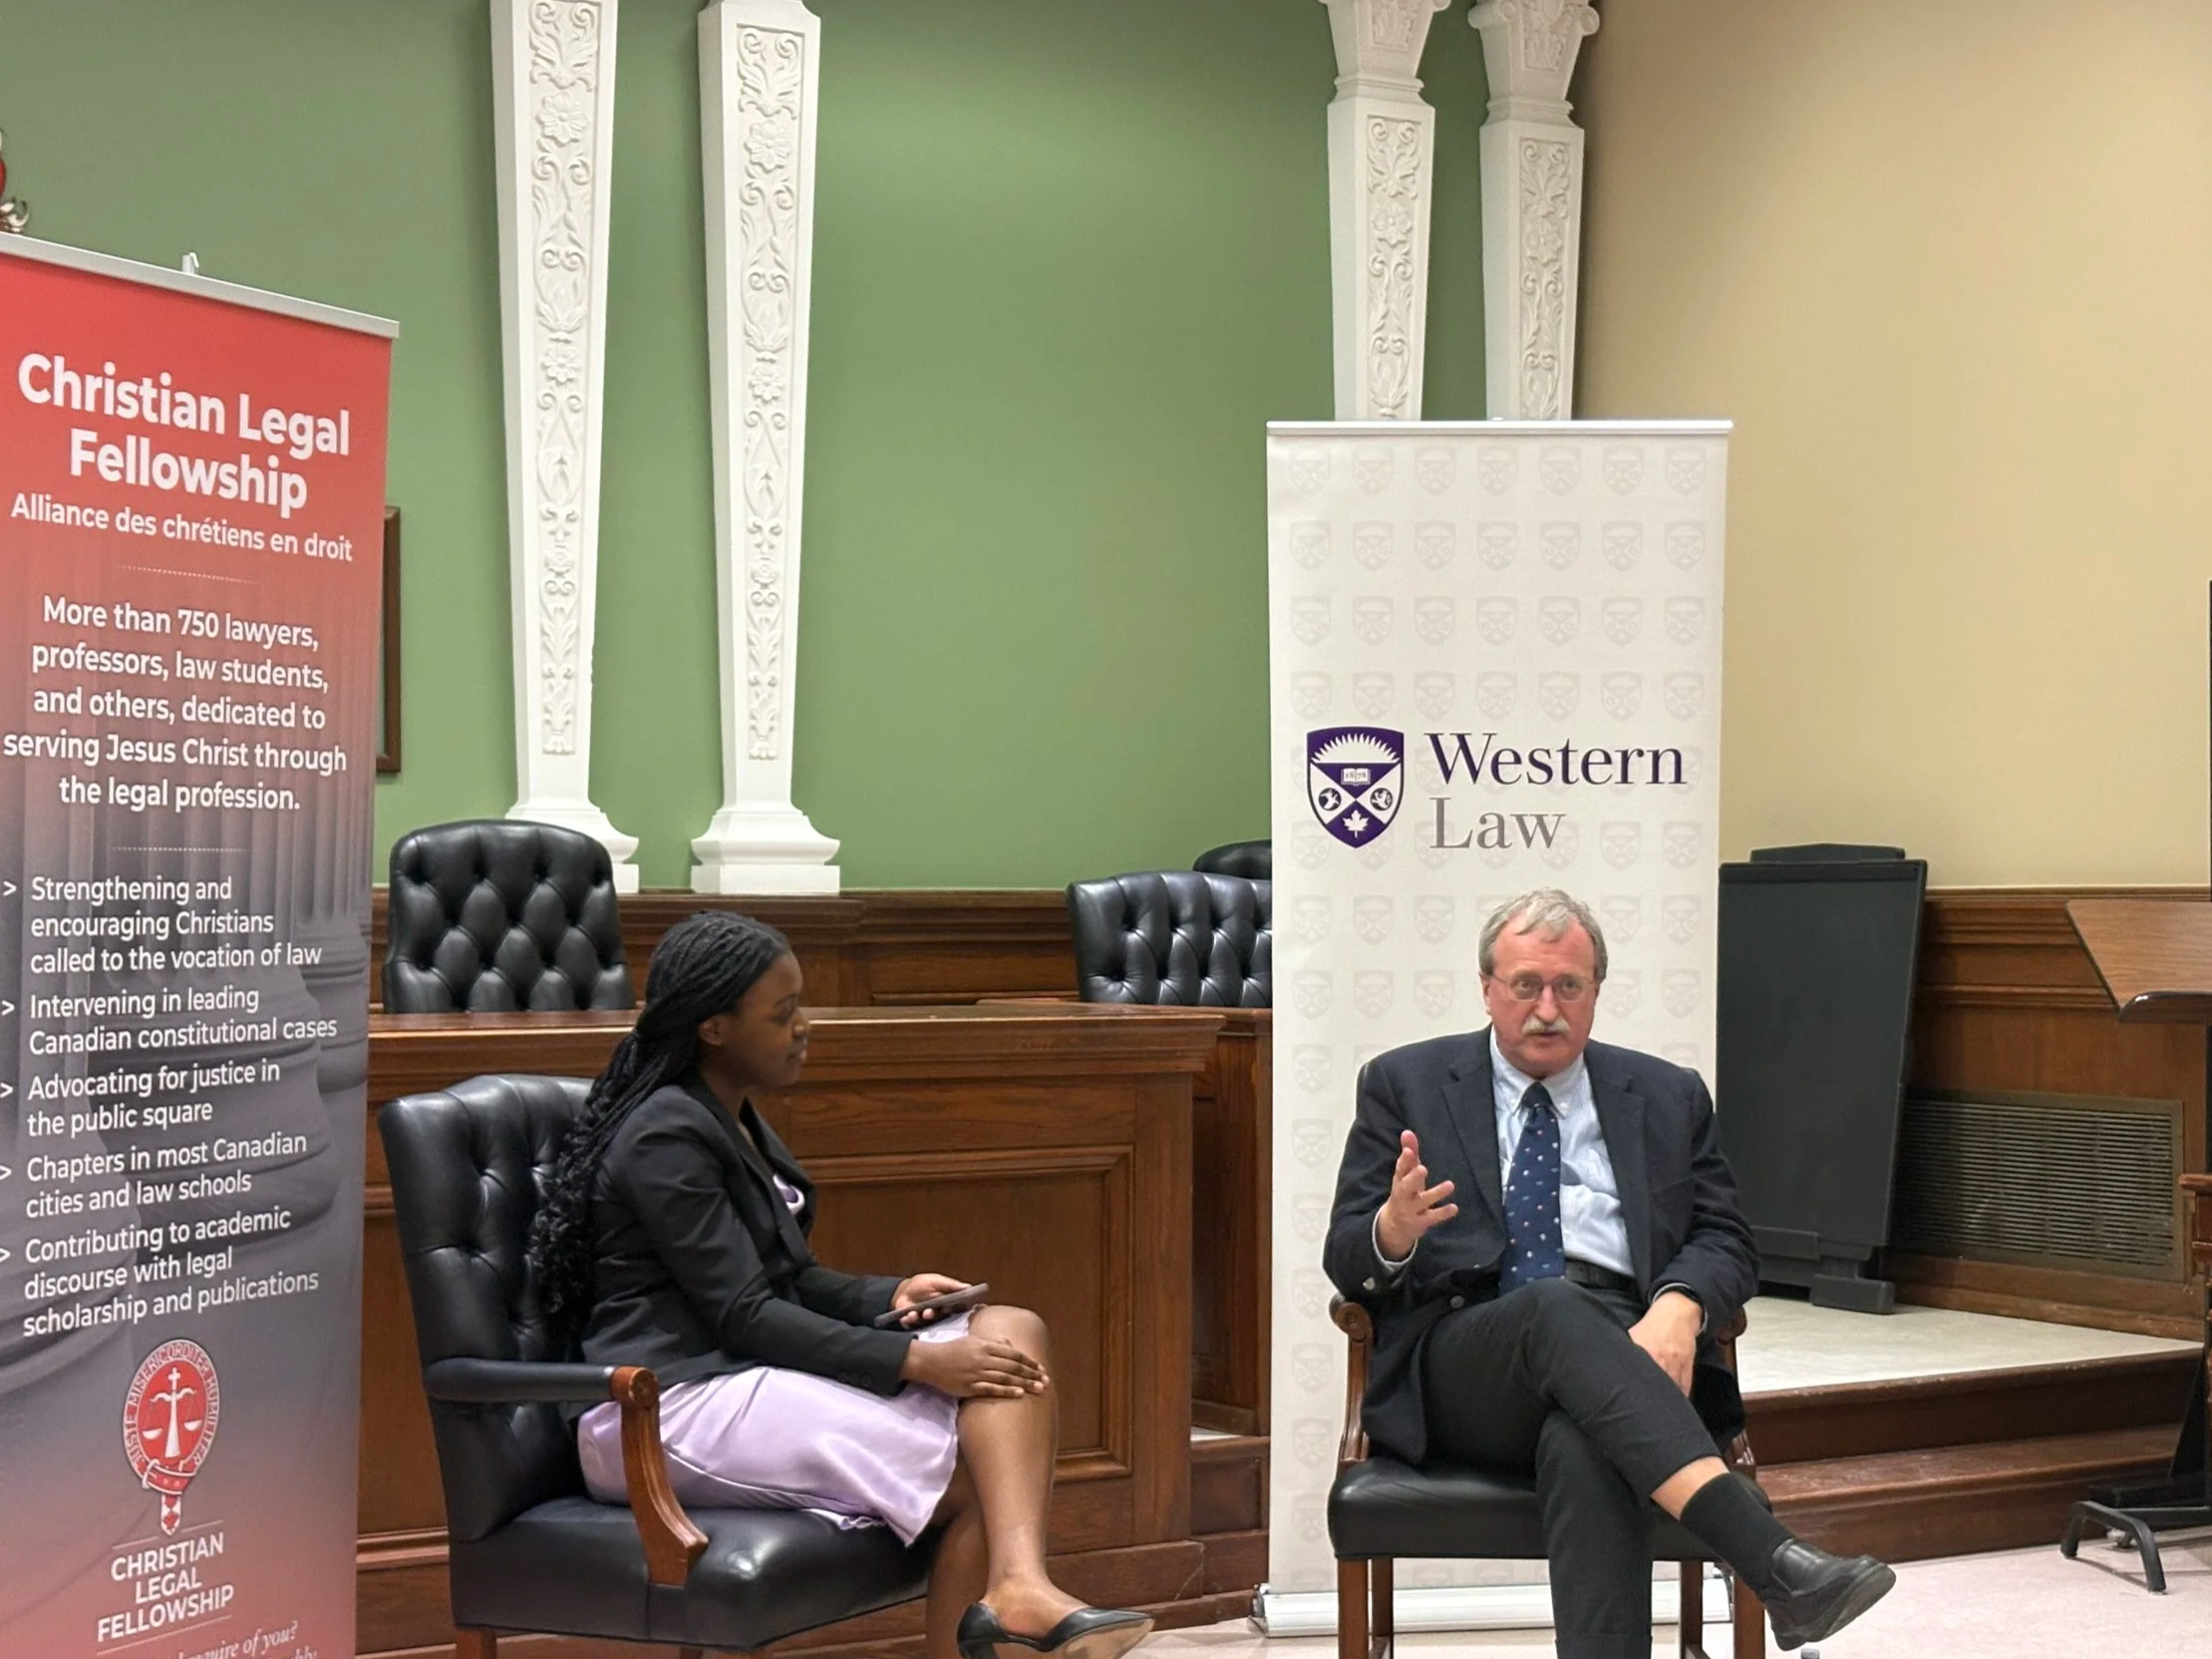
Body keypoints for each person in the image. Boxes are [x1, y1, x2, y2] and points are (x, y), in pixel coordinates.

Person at [528, 910, 1150, 1659]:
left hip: (737, 1374)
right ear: (714, 1028)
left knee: (1012, 1328)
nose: (804, 1027)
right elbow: (745, 1314)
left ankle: (1020, 1586)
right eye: (783, 1013)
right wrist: (916, 1361)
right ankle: (1014, 1596)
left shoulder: (730, 1115)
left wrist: (891, 1296)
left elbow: (789, 1280)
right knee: (979, 1474)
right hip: (664, 1405)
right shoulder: (665, 1134)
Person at [1325, 888, 1895, 1658]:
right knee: (1553, 1307)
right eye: (1525, 985)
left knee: (1583, 1438)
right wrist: (1391, 1230)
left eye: (1568, 985)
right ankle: (1768, 1559)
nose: (1547, 1008)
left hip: (1626, 1351)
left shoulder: (1665, 1094)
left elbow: (1725, 1236)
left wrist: (1680, 1304)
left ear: (1596, 990)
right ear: (1487, 988)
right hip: (1466, 1366)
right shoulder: (1405, 1083)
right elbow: (1347, 1258)